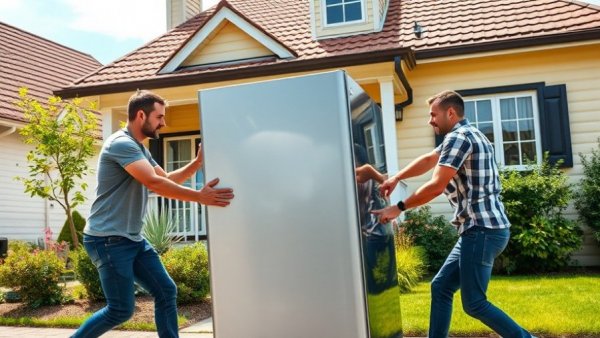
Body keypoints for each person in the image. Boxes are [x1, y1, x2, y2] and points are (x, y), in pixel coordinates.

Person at [71, 90, 234, 338]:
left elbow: (166, 179)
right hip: (107, 239)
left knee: (166, 291)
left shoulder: (139, 148)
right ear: (140, 115)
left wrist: (197, 163)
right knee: (120, 310)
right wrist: (199, 197)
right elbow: (154, 184)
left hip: (131, 238)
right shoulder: (121, 144)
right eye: (159, 117)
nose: (164, 123)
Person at [372, 90, 534, 338]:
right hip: (482, 229)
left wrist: (398, 208)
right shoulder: (467, 135)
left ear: (450, 112)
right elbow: (429, 160)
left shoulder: (459, 138)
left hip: (482, 230)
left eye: (433, 115)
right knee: (441, 286)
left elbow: (436, 186)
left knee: (475, 303)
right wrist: (396, 177)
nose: (430, 120)